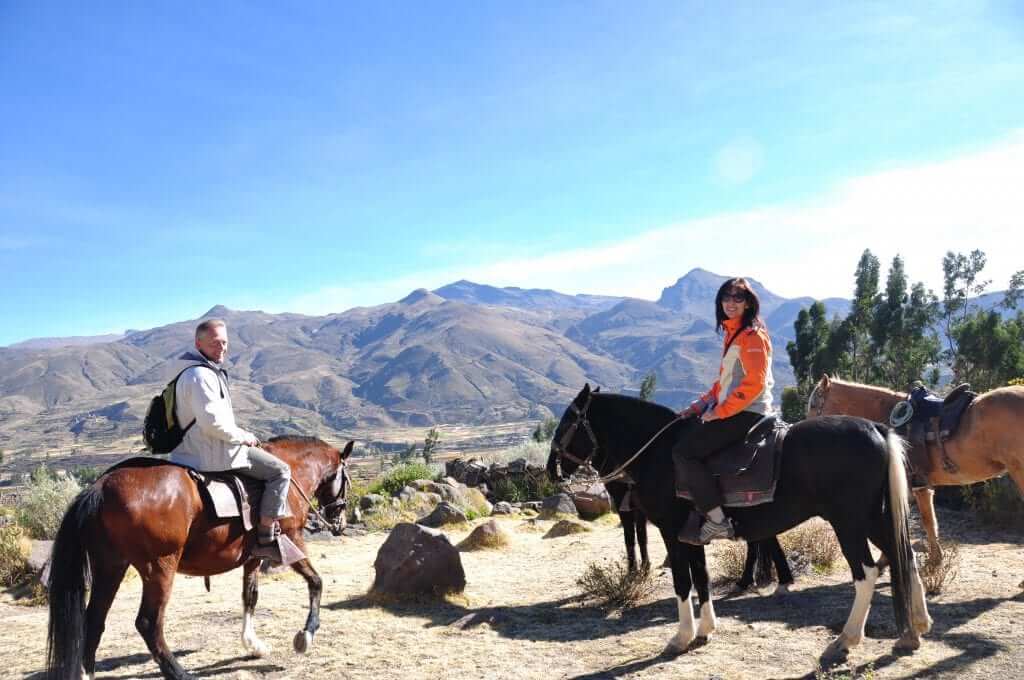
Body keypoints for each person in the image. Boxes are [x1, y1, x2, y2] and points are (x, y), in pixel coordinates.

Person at [169, 318, 294, 563]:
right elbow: (212, 424)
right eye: (216, 343)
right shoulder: (201, 376)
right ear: (198, 343)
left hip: (194, 450)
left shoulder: (196, 372)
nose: (222, 348)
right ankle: (267, 537)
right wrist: (244, 436)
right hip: (213, 454)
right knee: (280, 470)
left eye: (225, 342)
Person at [674, 278, 775, 544]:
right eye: (726, 297)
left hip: (747, 412)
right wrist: (699, 405)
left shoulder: (752, 336)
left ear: (748, 302)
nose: (731, 302)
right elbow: (724, 382)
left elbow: (754, 383)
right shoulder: (736, 334)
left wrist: (720, 412)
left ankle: (718, 521)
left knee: (684, 452)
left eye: (738, 298)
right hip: (733, 410)